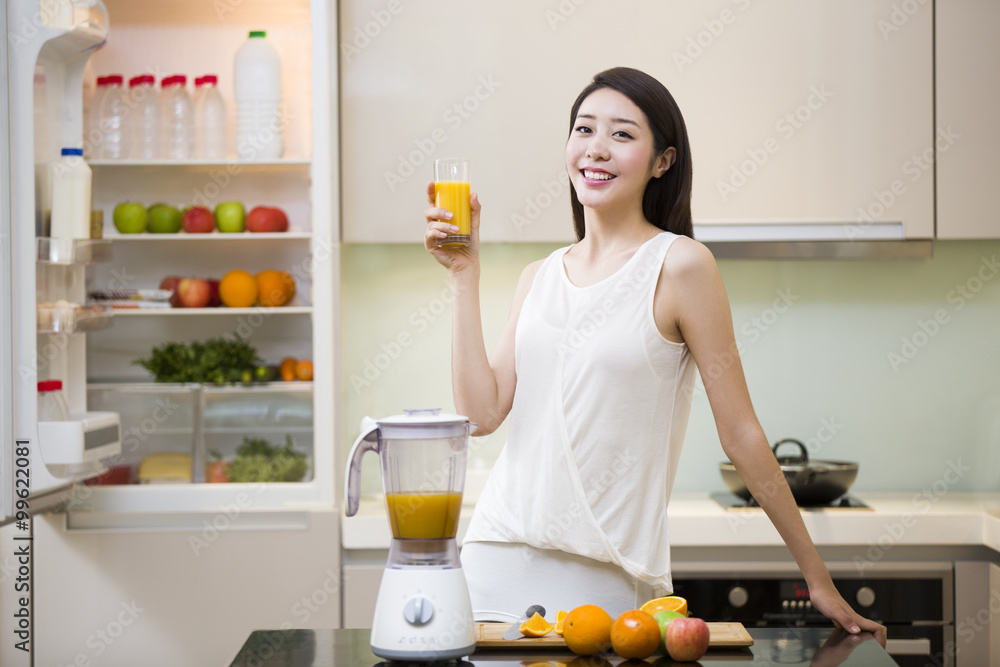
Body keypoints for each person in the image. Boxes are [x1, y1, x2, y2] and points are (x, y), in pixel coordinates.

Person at [423, 66, 886, 645]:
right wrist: (464, 276)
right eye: (584, 128)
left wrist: (816, 578)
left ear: (662, 161)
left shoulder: (682, 267)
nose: (596, 148)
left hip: (608, 577)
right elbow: (482, 414)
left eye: (622, 134)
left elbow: (741, 434)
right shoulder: (538, 277)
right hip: (492, 562)